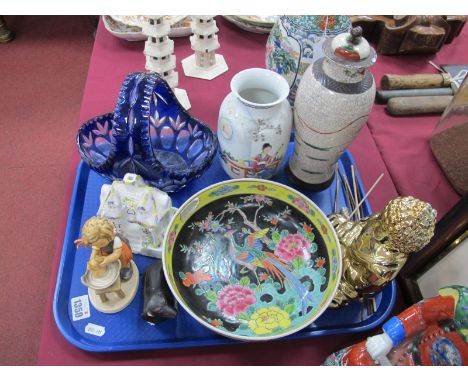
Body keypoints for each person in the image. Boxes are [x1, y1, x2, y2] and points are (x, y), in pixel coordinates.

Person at [75, 216, 133, 281]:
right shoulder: (97, 241)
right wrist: (92, 262)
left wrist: (107, 259)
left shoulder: (116, 240)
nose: (98, 246)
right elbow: (94, 252)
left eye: (101, 244)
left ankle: (126, 269)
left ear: (110, 236)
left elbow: (116, 254)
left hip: (120, 251)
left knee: (124, 262)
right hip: (106, 252)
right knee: (102, 257)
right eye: (96, 245)